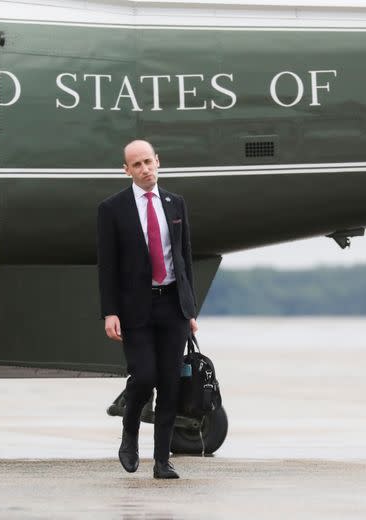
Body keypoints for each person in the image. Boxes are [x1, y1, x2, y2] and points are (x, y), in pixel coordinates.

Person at [97, 140, 199, 479]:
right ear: (126, 170)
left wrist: (190, 308)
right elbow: (107, 266)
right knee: (144, 376)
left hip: (173, 305)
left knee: (170, 383)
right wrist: (110, 312)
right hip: (136, 308)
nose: (145, 169)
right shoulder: (112, 209)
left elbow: (184, 258)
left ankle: (161, 461)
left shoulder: (176, 204)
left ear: (158, 161)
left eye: (148, 162)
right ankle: (129, 431)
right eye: (136, 165)